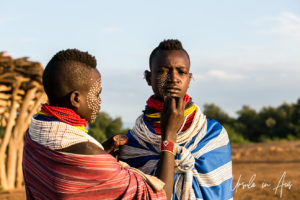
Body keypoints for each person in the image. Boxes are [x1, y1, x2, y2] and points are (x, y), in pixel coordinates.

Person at [22, 49, 183, 200]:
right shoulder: (86, 153)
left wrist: (101, 152)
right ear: (76, 99)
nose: (100, 101)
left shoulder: (34, 134)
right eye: (96, 94)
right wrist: (168, 136)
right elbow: (160, 196)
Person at [119, 40, 233, 200]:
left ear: (189, 78)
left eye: (181, 72)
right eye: (163, 71)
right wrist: (169, 137)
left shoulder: (212, 134)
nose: (173, 78)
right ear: (148, 77)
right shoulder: (133, 143)